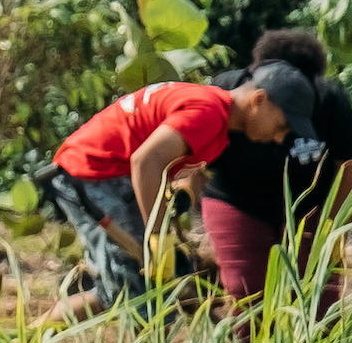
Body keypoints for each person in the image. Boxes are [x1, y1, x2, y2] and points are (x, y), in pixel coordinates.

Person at [51, 71, 282, 307]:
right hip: (92, 172)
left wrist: (183, 197)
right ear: (259, 101)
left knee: (126, 289)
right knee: (136, 289)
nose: (280, 137)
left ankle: (32, 335)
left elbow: (185, 168)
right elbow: (145, 161)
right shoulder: (209, 112)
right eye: (282, 125)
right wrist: (157, 237)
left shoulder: (215, 113)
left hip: (106, 173)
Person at [196, 28, 340, 304]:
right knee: (250, 299)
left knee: (318, 297)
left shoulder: (328, 99)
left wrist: (333, 223)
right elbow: (192, 160)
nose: (280, 136)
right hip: (237, 200)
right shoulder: (221, 97)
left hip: (309, 204)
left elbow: (349, 165)